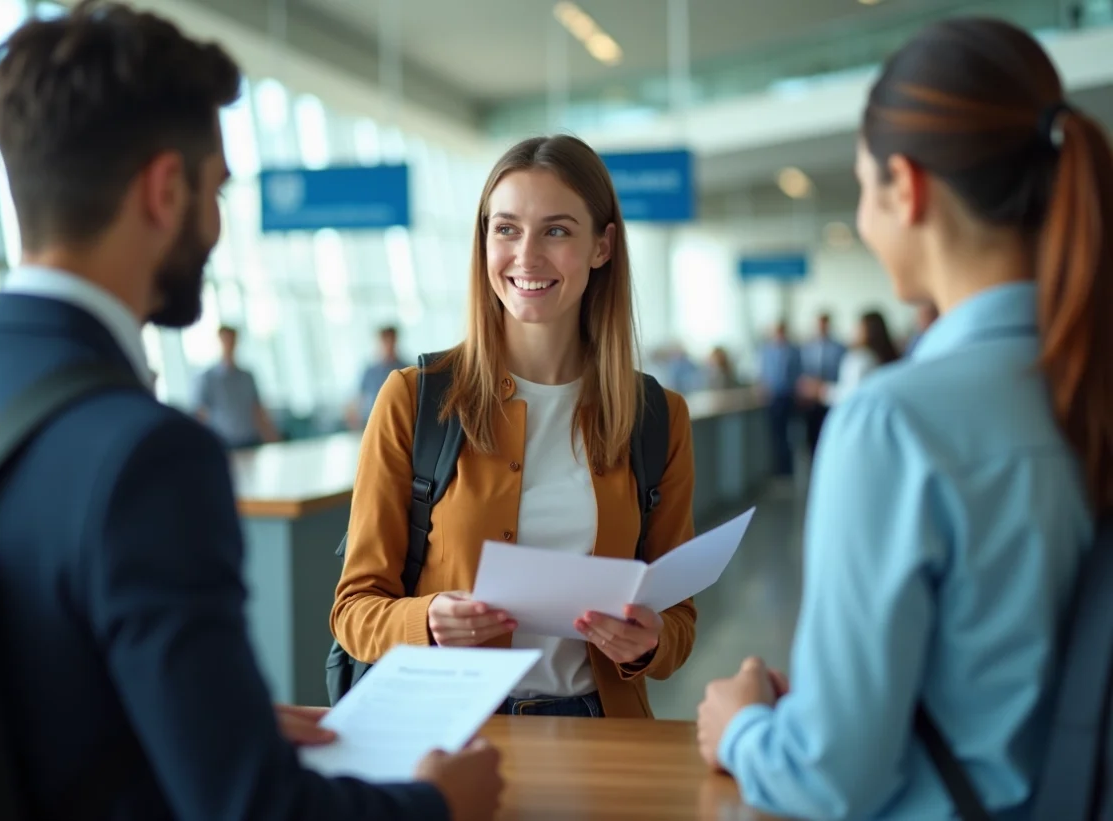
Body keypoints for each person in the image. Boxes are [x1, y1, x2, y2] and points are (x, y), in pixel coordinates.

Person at [0, 3, 502, 819]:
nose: (216, 223)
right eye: (216, 190)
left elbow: (5, 675)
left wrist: (199, 718)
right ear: (166, 190)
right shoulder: (148, 457)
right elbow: (250, 808)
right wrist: (437, 801)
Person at [697, 17, 1111, 819]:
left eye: (862, 186)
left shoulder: (894, 422)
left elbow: (829, 777)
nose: (862, 216)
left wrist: (741, 725)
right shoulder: (1086, 386)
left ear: (906, 187)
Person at [331, 135, 697, 719]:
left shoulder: (656, 417)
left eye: (556, 230)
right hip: (447, 727)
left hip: (601, 732)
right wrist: (423, 619)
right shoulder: (413, 400)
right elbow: (354, 609)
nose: (526, 256)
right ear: (484, 243)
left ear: (601, 246)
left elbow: (678, 621)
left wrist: (650, 641)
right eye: (506, 229)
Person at [194, 325, 280, 448]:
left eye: (232, 340)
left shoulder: (247, 376)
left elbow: (257, 409)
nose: (229, 344)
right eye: (225, 340)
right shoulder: (208, 378)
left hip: (249, 439)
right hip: (223, 442)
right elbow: (201, 414)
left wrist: (272, 436)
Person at [798, 310, 899, 408]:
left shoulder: (860, 358)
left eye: (858, 327)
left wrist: (822, 390)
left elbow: (852, 394)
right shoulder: (884, 356)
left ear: (866, 331)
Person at [757, 321, 802, 477]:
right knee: (775, 435)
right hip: (773, 398)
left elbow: (798, 373)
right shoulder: (767, 351)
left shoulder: (793, 350)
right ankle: (778, 469)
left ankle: (788, 469)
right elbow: (763, 374)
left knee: (789, 435)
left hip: (788, 397)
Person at [799, 312, 846, 454]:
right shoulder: (807, 347)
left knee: (828, 434)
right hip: (811, 399)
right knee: (811, 437)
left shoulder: (839, 348)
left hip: (830, 397)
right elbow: (802, 371)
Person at [350, 325, 411, 429]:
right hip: (375, 422)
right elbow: (359, 398)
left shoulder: (408, 368)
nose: (388, 345)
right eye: (385, 341)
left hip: (402, 421)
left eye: (390, 340)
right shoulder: (370, 371)